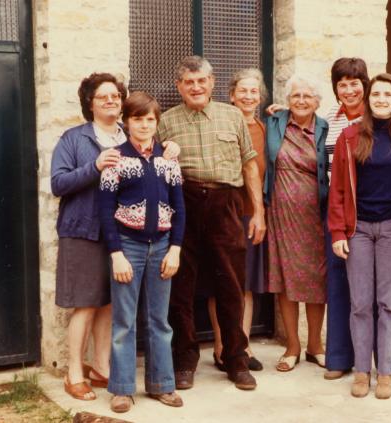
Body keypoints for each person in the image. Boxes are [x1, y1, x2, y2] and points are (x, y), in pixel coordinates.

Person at [267, 58, 391, 379]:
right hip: (334, 212)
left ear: (366, 86)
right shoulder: (330, 120)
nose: (349, 90)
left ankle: (386, 363)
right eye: (342, 84)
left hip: (373, 215)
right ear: (335, 90)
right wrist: (279, 111)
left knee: (382, 292)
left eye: (355, 83)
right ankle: (341, 359)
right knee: (342, 285)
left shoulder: (378, 119)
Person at [51, 73, 178, 402]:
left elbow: (156, 161)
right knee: (85, 303)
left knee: (111, 304)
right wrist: (94, 166)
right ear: (89, 103)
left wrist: (169, 147)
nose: (110, 100)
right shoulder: (74, 138)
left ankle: (102, 367)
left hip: (124, 236)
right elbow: (58, 184)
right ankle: (74, 372)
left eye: (115, 96)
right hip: (83, 230)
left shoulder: (131, 135)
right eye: (102, 96)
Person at [158, 56, 266, 391]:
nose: (195, 87)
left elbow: (249, 167)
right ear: (180, 86)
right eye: (188, 82)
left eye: (201, 80)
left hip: (226, 204)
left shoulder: (232, 115)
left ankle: (235, 358)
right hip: (184, 204)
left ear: (212, 82)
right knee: (181, 286)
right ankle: (185, 360)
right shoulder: (166, 121)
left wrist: (258, 212)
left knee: (231, 285)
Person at [328, 73, 391, 399]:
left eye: (388, 94)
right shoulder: (350, 137)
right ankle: (361, 371)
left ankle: (385, 372)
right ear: (368, 100)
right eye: (376, 95)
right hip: (357, 230)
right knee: (360, 303)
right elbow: (339, 190)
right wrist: (337, 232)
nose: (382, 99)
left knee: (388, 304)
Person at [99, 92, 186, 412]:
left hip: (162, 246)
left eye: (150, 119)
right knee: (124, 320)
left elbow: (179, 207)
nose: (145, 124)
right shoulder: (115, 158)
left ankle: (162, 384)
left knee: (159, 319)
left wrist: (175, 249)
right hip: (129, 247)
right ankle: (122, 388)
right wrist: (116, 253)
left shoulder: (168, 158)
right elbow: (106, 209)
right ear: (126, 121)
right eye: (138, 118)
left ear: (157, 122)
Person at [265, 75, 329, 372]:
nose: (301, 100)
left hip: (315, 217)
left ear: (317, 101)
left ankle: (315, 344)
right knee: (285, 279)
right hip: (280, 214)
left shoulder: (325, 128)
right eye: (295, 96)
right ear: (287, 100)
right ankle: (292, 345)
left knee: (317, 280)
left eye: (307, 96)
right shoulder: (276, 122)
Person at [207, 68, 268, 373]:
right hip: (224, 212)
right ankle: (221, 347)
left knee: (246, 284)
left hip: (252, 214)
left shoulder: (266, 127)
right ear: (231, 95)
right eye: (242, 91)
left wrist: (260, 212)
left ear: (261, 97)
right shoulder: (220, 122)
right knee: (223, 283)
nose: (248, 96)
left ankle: (242, 347)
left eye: (253, 91)